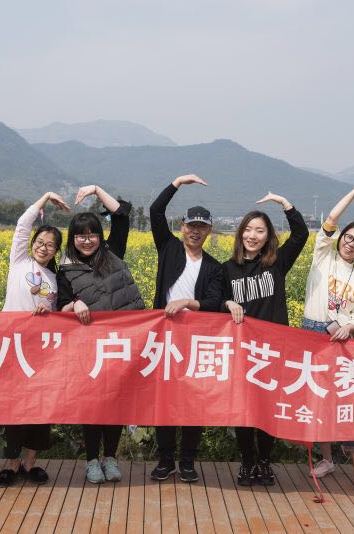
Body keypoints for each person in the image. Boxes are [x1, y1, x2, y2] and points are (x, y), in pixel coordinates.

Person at [57, 185, 145, 484]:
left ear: (100, 236)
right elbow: (61, 305)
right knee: (92, 404)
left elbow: (122, 216)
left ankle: (111, 457)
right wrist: (74, 303)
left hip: (122, 342)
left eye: (92, 234)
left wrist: (96, 190)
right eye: (80, 235)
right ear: (72, 238)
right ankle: (92, 460)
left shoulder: (112, 253)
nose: (87, 240)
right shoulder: (65, 268)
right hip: (90, 348)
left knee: (116, 402)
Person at [222, 192, 309, 486]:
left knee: (269, 407)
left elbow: (301, 233)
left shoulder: (277, 262)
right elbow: (215, 301)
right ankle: (247, 462)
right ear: (240, 233)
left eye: (260, 231)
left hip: (273, 350)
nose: (253, 235)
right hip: (243, 350)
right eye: (248, 229)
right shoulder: (227, 269)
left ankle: (264, 462)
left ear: (268, 236)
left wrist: (284, 203)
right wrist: (227, 303)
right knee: (245, 408)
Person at [301, 185, 354, 492]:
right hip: (312, 333)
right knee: (317, 398)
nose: (351, 244)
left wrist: (352, 328)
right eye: (349, 237)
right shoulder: (323, 257)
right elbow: (331, 219)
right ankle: (327, 459)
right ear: (340, 237)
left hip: (342, 341)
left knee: (348, 400)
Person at [148, 174, 224, 484]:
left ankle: (188, 461)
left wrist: (187, 303)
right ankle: (166, 460)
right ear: (182, 227)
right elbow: (155, 211)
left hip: (196, 342)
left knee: (194, 401)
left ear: (209, 231)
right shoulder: (168, 248)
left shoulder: (214, 267)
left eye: (201, 227)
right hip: (165, 339)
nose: (195, 231)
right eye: (191, 225)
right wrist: (177, 183)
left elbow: (214, 302)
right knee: (165, 401)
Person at [0, 192, 70, 488]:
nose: (43, 247)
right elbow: (22, 224)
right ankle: (12, 464)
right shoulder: (19, 261)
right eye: (40, 242)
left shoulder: (54, 279)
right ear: (32, 243)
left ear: (56, 251)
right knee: (13, 408)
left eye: (50, 245)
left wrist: (47, 312)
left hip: (41, 353)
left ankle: (29, 464)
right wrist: (46, 198)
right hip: (13, 347)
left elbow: (57, 315)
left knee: (40, 408)